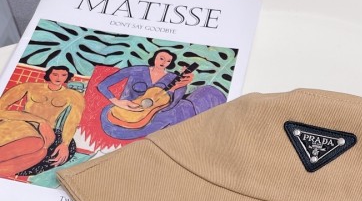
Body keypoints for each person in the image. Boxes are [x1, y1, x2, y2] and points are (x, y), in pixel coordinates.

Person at [97, 49, 226, 140]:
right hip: (125, 112)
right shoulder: (136, 70)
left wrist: (180, 87)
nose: (164, 62)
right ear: (155, 57)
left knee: (186, 106)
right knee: (110, 120)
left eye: (168, 61)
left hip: (157, 114)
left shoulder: (172, 78)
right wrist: (117, 102)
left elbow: (173, 103)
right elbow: (102, 85)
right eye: (161, 58)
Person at [0, 65, 85, 178]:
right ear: (49, 74)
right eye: (55, 74)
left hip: (47, 132)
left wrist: (65, 144)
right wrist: (39, 120)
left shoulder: (74, 96)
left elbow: (72, 122)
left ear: (67, 76)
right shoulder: (30, 87)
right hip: (23, 123)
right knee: (36, 143)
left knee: (42, 152)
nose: (59, 78)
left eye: (63, 75)